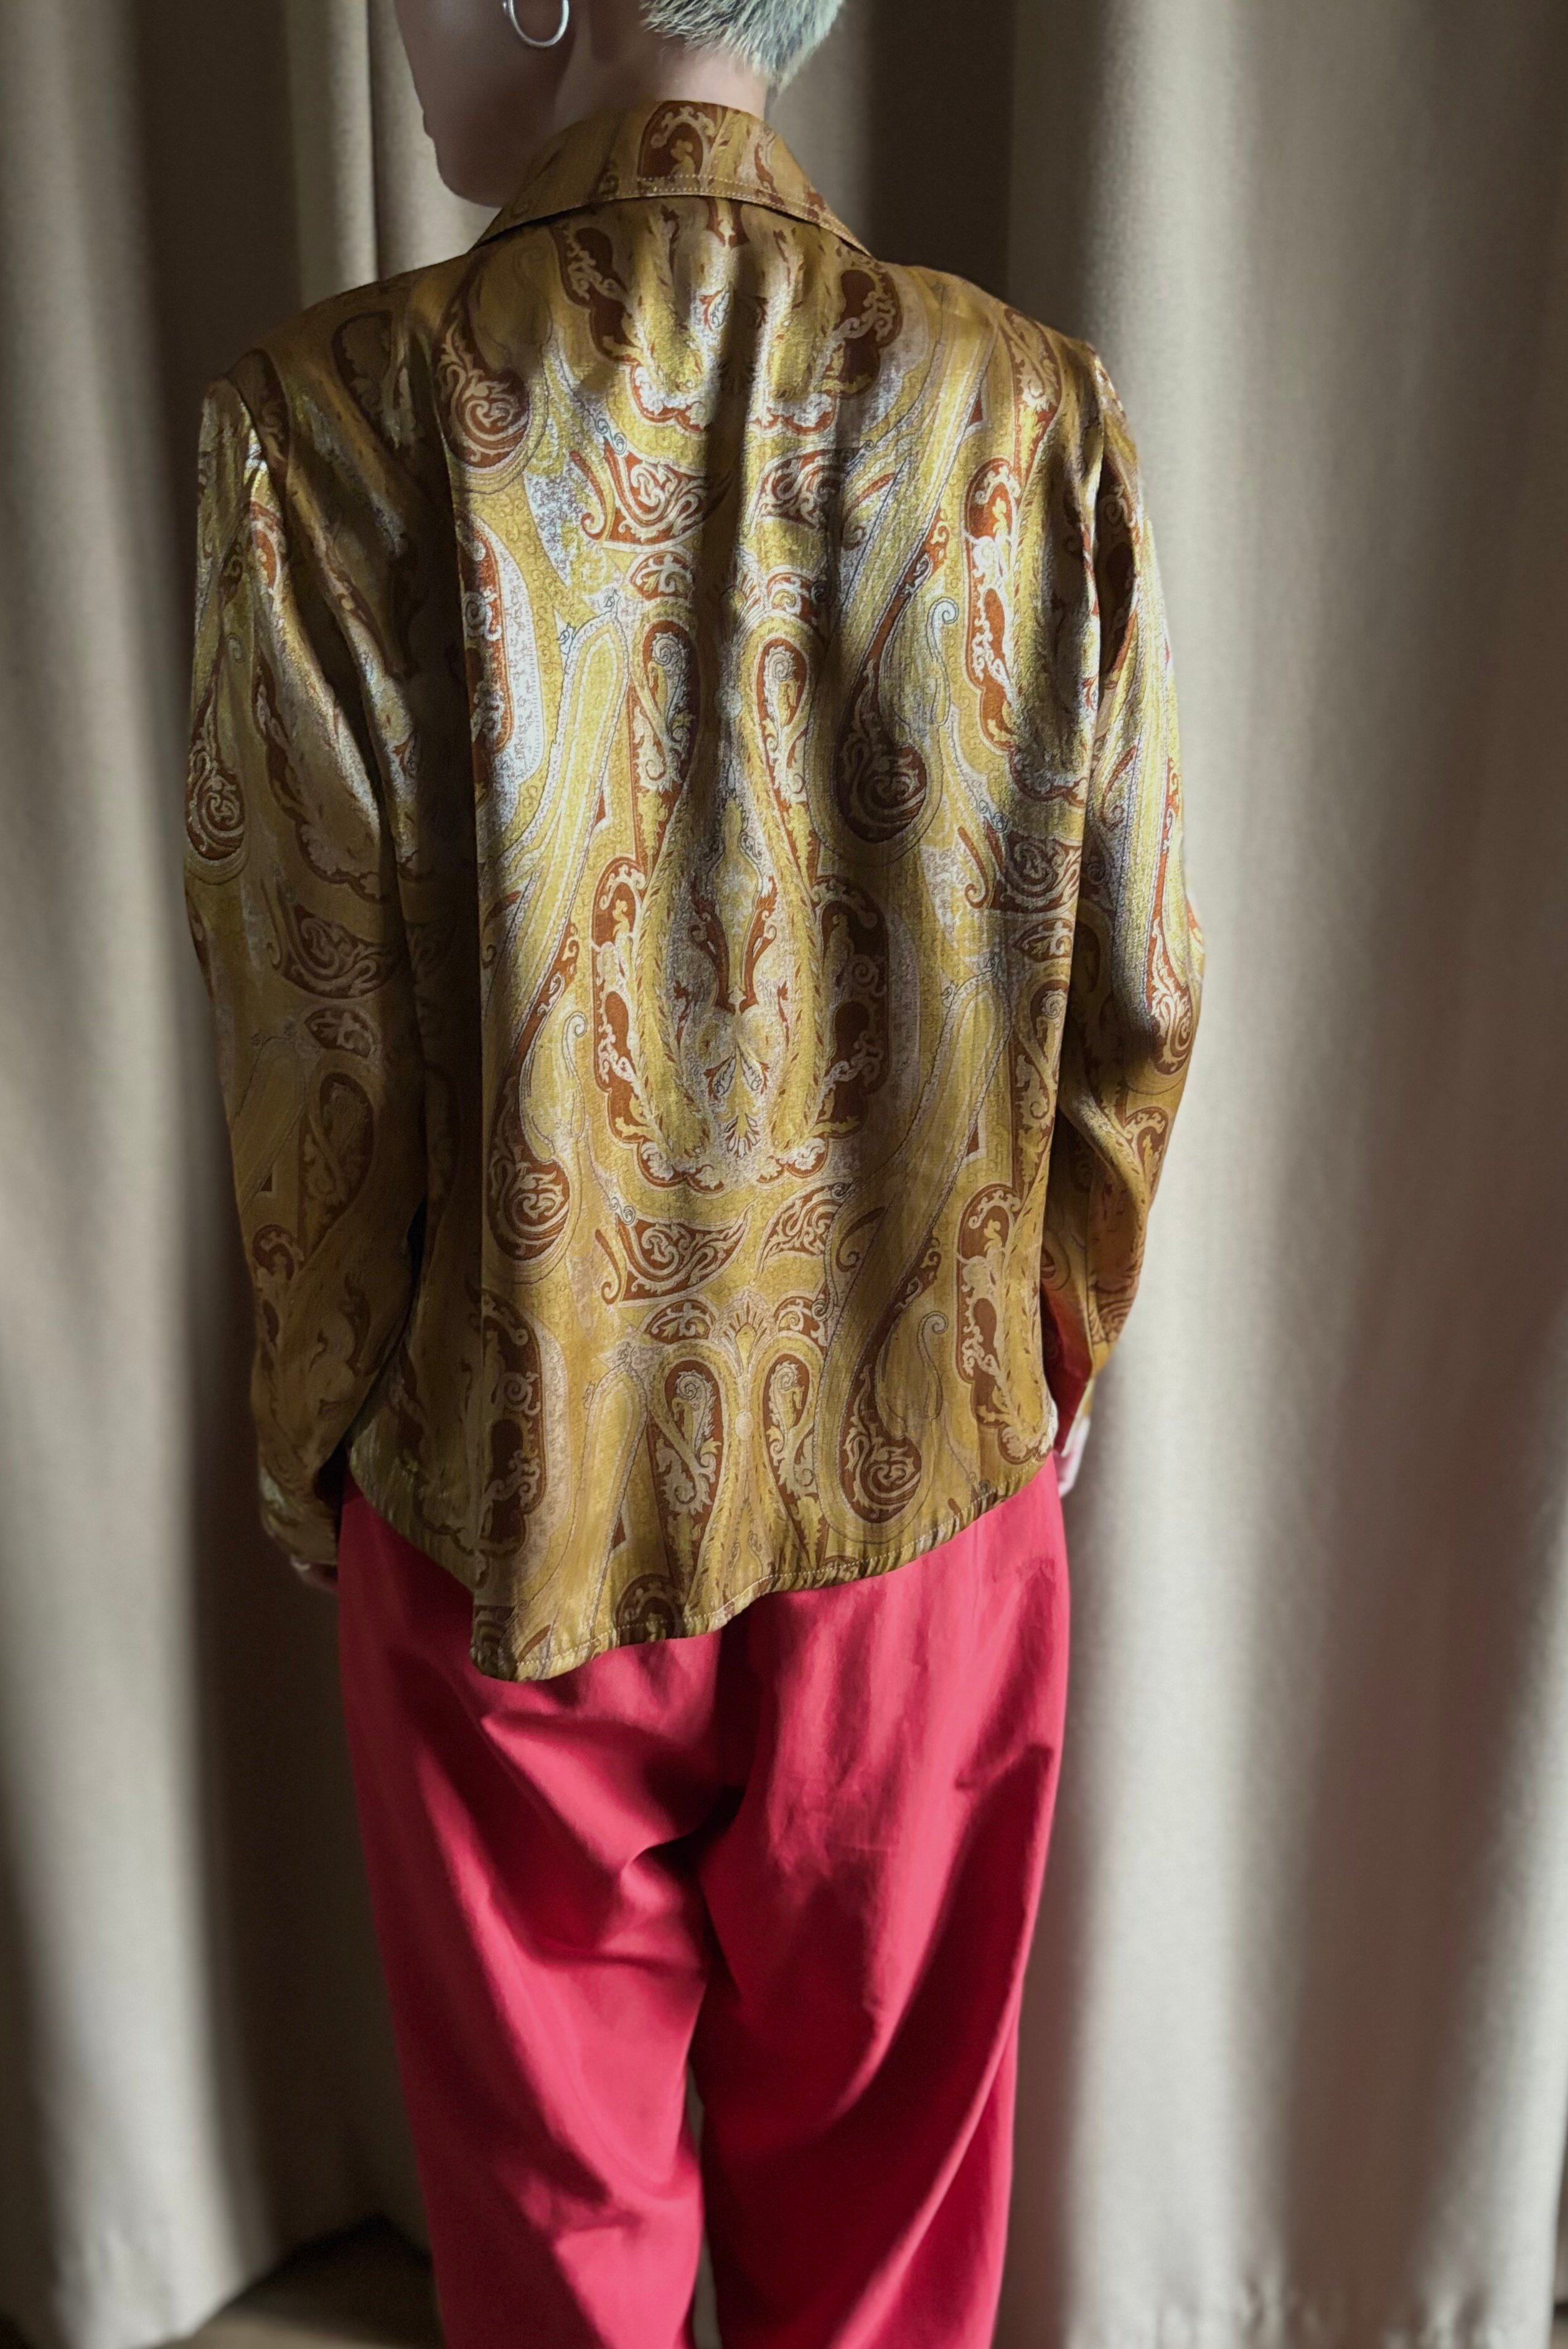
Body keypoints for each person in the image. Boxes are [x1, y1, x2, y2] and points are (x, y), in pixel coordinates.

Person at [181, 0, 1204, 2335]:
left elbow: (312, 1044)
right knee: (890, 2250)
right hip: (925, 1482)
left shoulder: (316, 428)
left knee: (555, 2248)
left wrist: (315, 1440)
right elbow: (1139, 979)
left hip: (503, 1473)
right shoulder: (1028, 412)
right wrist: (1059, 1327)